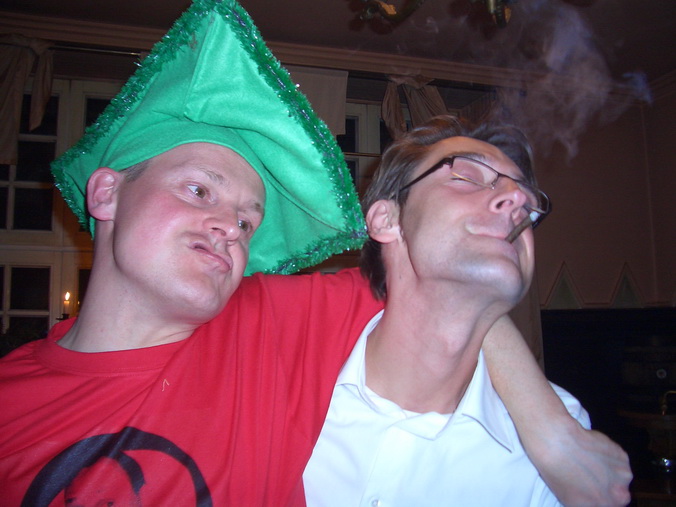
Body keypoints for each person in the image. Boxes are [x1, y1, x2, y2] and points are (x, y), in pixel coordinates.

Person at [0, 0, 630, 505]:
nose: (230, 228)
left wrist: (553, 429)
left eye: (248, 221)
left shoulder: (268, 324)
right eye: (199, 191)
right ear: (107, 192)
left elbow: (445, 293)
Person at [303, 116, 630, 506]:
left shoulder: (561, 448)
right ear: (388, 220)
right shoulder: (282, 382)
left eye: (527, 202)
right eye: (467, 177)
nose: (516, 201)